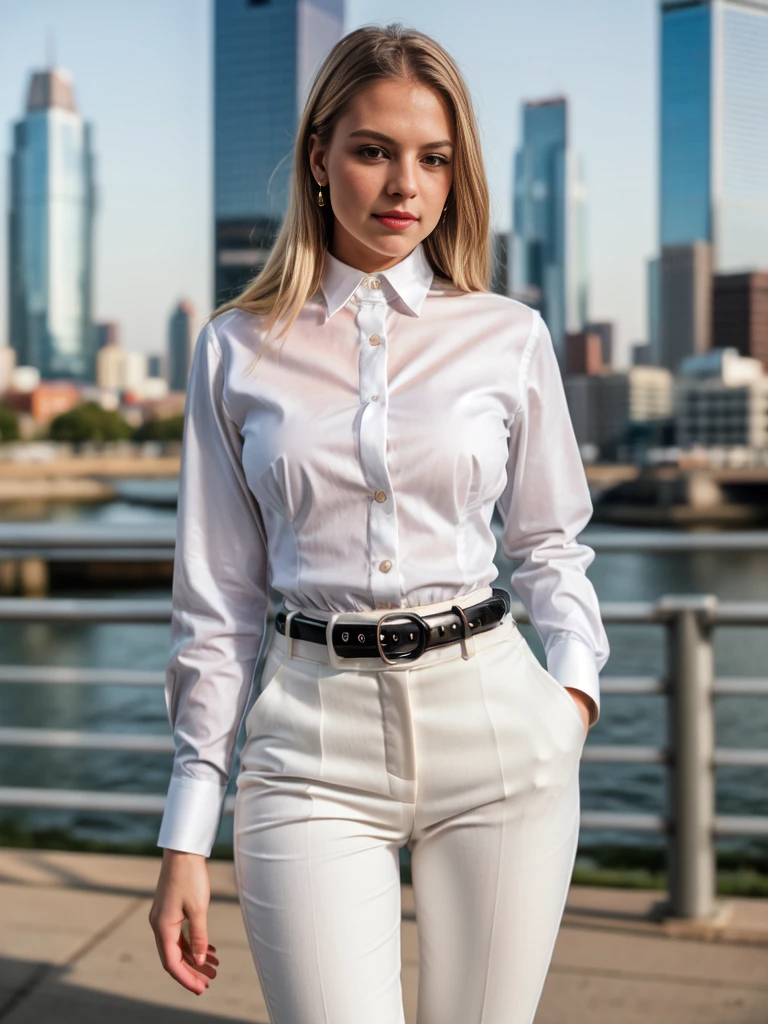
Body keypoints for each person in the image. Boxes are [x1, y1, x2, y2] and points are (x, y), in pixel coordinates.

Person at [149, 22, 610, 1024]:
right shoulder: (234, 348)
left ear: (456, 175)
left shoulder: (508, 334)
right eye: (373, 151)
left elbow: (548, 545)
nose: (406, 184)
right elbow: (218, 599)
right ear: (319, 159)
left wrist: (570, 695)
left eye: (433, 158)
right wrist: (185, 830)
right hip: (309, 745)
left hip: (495, 726)